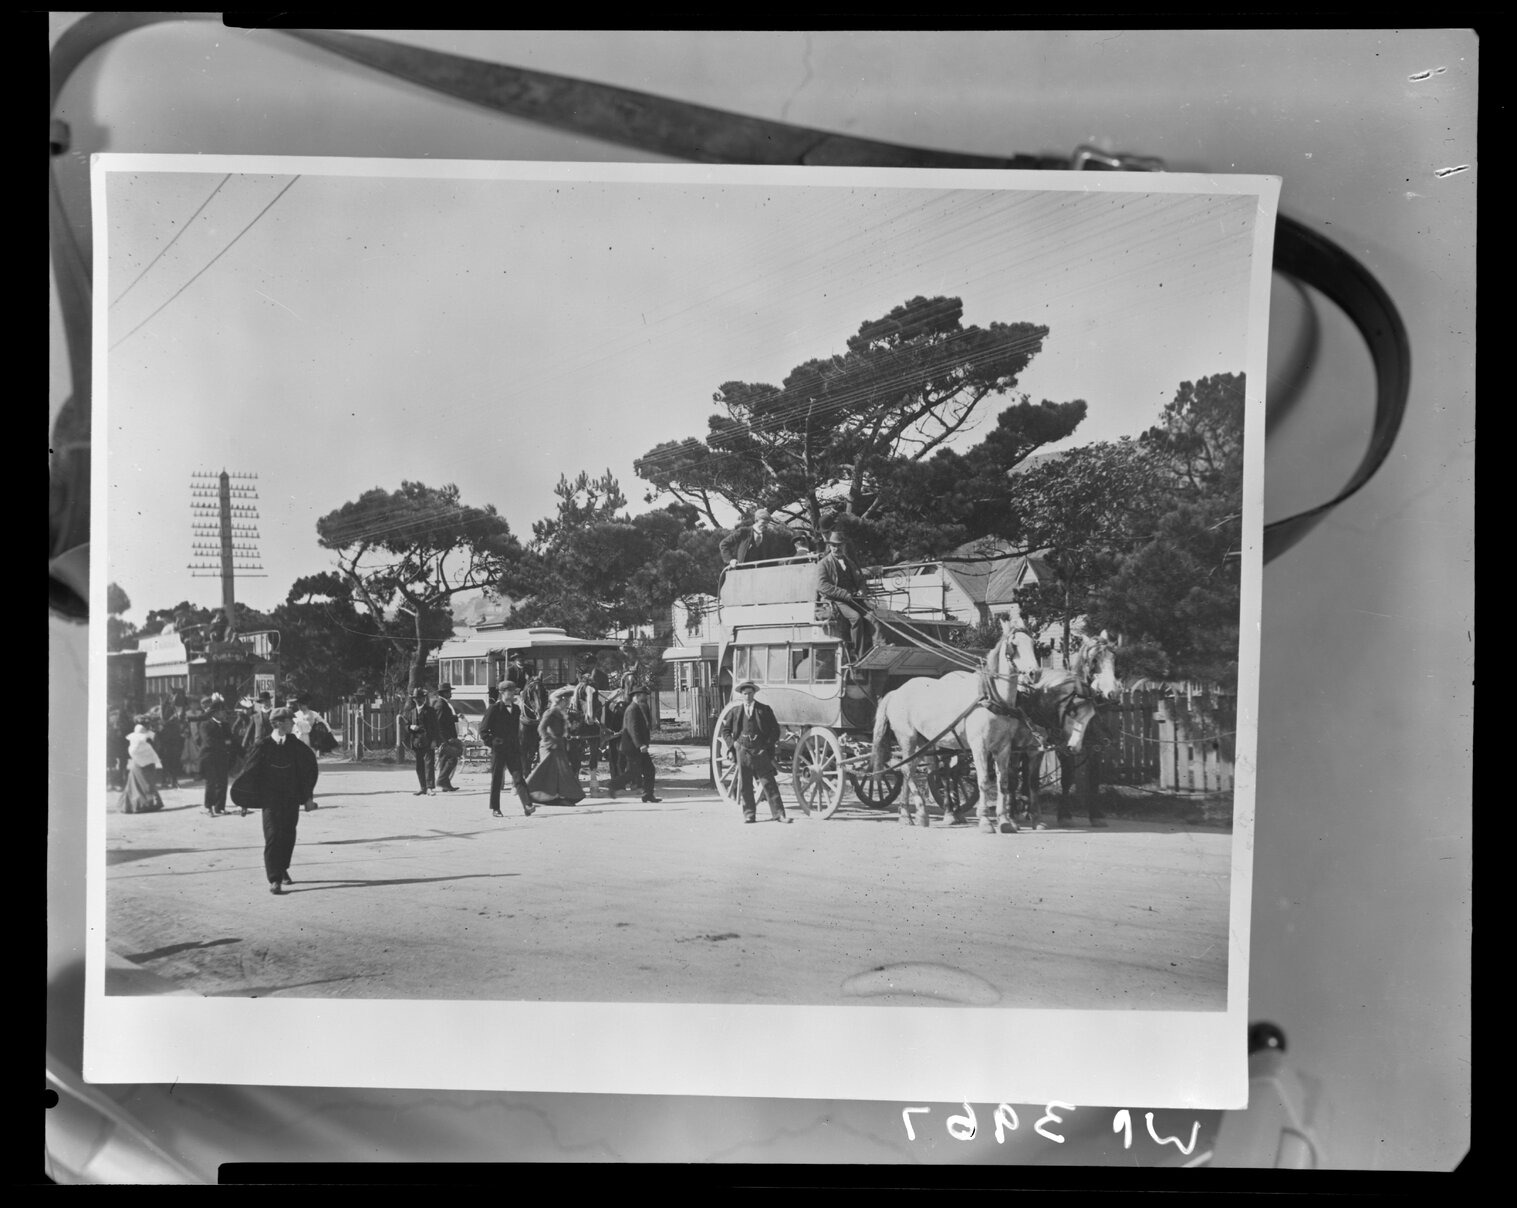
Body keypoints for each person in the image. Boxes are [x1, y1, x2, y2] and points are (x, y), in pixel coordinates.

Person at [230, 707, 319, 895]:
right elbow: (250, 773)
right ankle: (275, 879)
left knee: (288, 836)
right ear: (278, 723)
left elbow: (308, 771)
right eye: (289, 721)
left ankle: (282, 867)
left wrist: (308, 798)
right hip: (269, 800)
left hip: (291, 798)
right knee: (272, 836)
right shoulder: (263, 746)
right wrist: (244, 800)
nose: (292, 724)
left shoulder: (296, 746)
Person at [719, 681, 791, 823]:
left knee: (768, 782)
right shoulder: (735, 712)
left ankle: (779, 814)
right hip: (742, 751)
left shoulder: (764, 710)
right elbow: (725, 731)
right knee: (745, 783)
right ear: (741, 695)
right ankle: (749, 814)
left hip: (761, 751)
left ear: (754, 694)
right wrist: (733, 744)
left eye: (750, 693)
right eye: (745, 694)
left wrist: (767, 745)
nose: (747, 696)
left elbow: (775, 730)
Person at [816, 529, 875, 661]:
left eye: (840, 545)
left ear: (844, 546)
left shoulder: (850, 562)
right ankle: (859, 655)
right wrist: (843, 593)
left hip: (853, 599)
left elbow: (860, 580)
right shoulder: (823, 564)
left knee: (872, 616)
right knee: (856, 617)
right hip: (836, 601)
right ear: (829, 546)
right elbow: (822, 585)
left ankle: (879, 648)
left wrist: (861, 590)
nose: (837, 548)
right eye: (834, 545)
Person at [523, 687, 583, 806]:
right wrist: (550, 740)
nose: (568, 703)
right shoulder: (550, 712)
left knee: (561, 773)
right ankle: (527, 792)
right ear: (561, 700)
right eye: (567, 700)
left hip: (558, 747)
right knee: (544, 772)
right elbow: (541, 728)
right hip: (549, 747)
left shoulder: (561, 713)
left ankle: (559, 797)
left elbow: (561, 731)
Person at [479, 681, 531, 817]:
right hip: (499, 750)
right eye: (509, 691)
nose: (512, 693)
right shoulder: (494, 708)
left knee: (519, 777)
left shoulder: (517, 709)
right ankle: (495, 808)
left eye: (513, 691)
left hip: (513, 750)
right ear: (502, 693)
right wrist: (493, 743)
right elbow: (483, 730)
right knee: (497, 779)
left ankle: (527, 805)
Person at [610, 685, 660, 803]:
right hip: (633, 747)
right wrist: (640, 744)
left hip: (635, 746)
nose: (645, 698)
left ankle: (648, 794)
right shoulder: (632, 709)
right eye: (643, 696)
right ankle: (613, 785)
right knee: (634, 772)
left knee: (649, 770)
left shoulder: (636, 707)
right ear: (637, 696)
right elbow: (633, 729)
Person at [720, 506, 797, 567]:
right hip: (743, 572)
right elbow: (724, 544)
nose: (765, 526)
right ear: (756, 520)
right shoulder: (743, 532)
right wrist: (730, 560)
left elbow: (776, 553)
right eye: (763, 523)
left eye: (767, 523)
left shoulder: (769, 536)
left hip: (761, 575)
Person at [569, 669, 605, 793]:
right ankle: (575, 779)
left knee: (594, 750)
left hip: (592, 718)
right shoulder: (579, 689)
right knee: (575, 752)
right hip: (580, 717)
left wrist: (594, 715)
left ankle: (594, 780)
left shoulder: (592, 687)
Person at [118, 723, 166, 814]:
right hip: (144, 767)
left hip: (138, 766)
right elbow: (152, 756)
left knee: (135, 785)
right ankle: (146, 804)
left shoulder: (133, 745)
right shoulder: (144, 746)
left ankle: (135, 805)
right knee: (146, 784)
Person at [198, 697, 235, 816]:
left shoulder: (225, 725)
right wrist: (225, 743)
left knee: (223, 782)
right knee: (211, 782)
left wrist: (227, 744)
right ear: (215, 713)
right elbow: (209, 741)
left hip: (222, 757)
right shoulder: (205, 725)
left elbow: (231, 740)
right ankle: (209, 807)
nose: (224, 713)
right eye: (222, 711)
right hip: (209, 757)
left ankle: (220, 807)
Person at [404, 686, 439, 796]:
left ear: (424, 699)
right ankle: (422, 787)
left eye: (420, 698)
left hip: (428, 741)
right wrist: (410, 727)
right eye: (415, 698)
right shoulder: (411, 712)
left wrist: (434, 741)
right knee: (419, 766)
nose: (418, 700)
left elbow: (436, 727)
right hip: (417, 742)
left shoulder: (431, 711)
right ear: (413, 699)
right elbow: (406, 725)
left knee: (429, 764)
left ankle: (430, 788)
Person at [433, 683, 463, 792]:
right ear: (444, 693)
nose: (451, 693)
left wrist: (455, 718)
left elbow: (446, 719)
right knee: (452, 759)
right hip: (445, 738)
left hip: (445, 737)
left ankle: (445, 784)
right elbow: (439, 723)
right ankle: (441, 780)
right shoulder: (441, 705)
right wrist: (444, 740)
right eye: (449, 691)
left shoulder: (442, 703)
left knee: (445, 760)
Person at [518, 665, 546, 773]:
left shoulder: (529, 670)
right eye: (518, 659)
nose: (520, 661)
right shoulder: (511, 670)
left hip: (530, 694)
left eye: (521, 659)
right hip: (517, 693)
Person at [601, 691, 629, 793]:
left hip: (622, 734)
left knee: (621, 759)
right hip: (613, 734)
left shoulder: (627, 703)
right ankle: (616, 782)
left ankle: (620, 783)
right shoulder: (610, 703)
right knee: (614, 758)